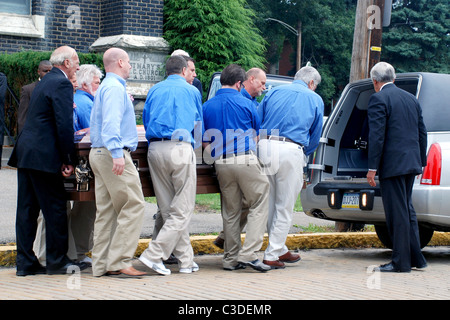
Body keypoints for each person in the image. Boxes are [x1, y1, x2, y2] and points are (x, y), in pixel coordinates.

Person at [8, 45, 87, 276]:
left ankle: (25, 262)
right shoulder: (61, 83)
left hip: (27, 152)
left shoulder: (45, 81)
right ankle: (57, 261)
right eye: (76, 61)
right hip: (44, 155)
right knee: (55, 208)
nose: (78, 66)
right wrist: (68, 159)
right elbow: (62, 124)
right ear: (66, 64)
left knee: (27, 209)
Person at [139, 55, 203, 276]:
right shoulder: (192, 91)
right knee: (182, 209)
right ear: (184, 70)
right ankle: (153, 255)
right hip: (181, 147)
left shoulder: (155, 90)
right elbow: (198, 125)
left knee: (168, 210)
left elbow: (146, 119)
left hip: (155, 148)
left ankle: (186, 261)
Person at [203, 64, 270, 272]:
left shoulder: (207, 106)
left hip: (221, 162)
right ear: (240, 83)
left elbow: (204, 141)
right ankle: (249, 253)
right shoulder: (246, 103)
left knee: (231, 211)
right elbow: (256, 136)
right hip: (244, 158)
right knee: (260, 198)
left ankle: (230, 259)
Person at [257, 66, 324, 269]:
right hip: (290, 148)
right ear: (311, 83)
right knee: (284, 205)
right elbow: (315, 135)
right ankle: (272, 253)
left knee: (269, 202)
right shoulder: (315, 99)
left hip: (265, 145)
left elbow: (258, 118)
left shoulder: (274, 91)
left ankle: (280, 247)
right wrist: (304, 153)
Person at [89, 47, 146, 277]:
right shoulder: (114, 88)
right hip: (112, 152)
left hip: (99, 152)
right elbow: (111, 124)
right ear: (120, 63)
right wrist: (116, 153)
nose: (131, 66)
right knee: (134, 204)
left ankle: (101, 264)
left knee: (107, 211)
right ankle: (120, 260)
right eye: (129, 62)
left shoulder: (106, 87)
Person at [366, 62, 428, 273]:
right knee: (407, 209)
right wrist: (421, 161)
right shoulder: (412, 99)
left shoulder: (378, 98)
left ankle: (401, 262)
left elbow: (377, 136)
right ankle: (416, 257)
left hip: (392, 164)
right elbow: (422, 132)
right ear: (394, 78)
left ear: (375, 81)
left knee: (397, 212)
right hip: (411, 162)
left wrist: (372, 167)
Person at [17, 60, 53, 134]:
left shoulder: (57, 88)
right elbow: (23, 117)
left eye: (51, 71)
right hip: (35, 135)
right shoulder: (28, 90)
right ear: (38, 72)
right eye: (45, 71)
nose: (48, 74)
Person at [73, 64, 103, 132]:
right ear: (85, 85)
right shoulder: (87, 105)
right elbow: (94, 133)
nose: (99, 87)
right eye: (97, 83)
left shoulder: (74, 98)